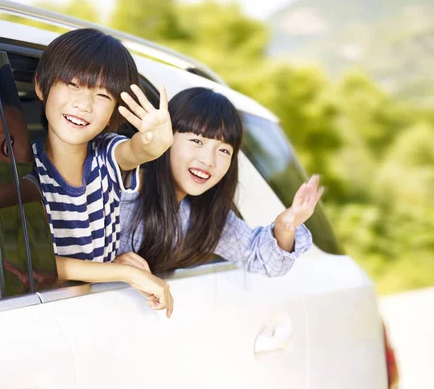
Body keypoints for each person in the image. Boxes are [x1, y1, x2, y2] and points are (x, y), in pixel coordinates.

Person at [30, 28, 174, 316]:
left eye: (102, 95)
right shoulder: (23, 169)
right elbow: (35, 262)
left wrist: (153, 146)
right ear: (41, 86)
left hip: (98, 314)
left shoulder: (106, 153)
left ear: (114, 112)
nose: (83, 104)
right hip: (45, 317)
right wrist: (121, 273)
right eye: (72, 84)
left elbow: (135, 151)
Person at [116, 87, 323, 276]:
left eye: (223, 150)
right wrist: (111, 268)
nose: (209, 160)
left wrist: (285, 225)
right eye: (197, 141)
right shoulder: (118, 185)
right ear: (166, 137)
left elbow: (263, 260)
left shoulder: (202, 216)